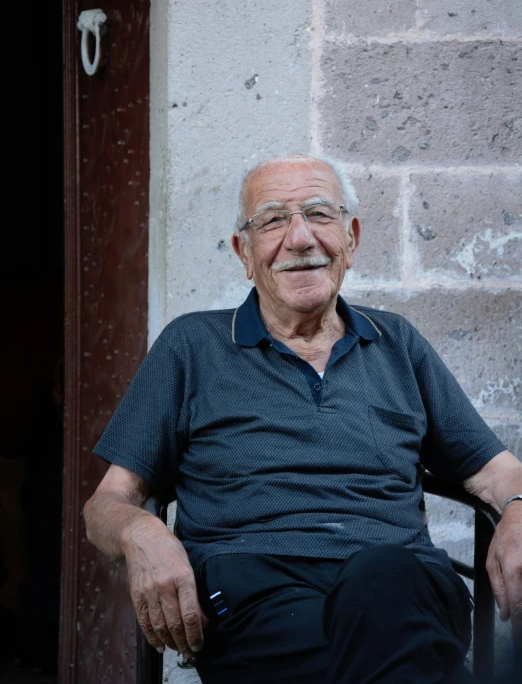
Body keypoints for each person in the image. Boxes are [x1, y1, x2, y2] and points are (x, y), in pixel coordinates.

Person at [84, 154, 522, 683]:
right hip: (257, 590)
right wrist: (141, 534)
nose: (299, 238)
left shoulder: (397, 343)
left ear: (351, 238)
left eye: (319, 214)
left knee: (382, 581)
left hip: (399, 583)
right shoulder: (192, 345)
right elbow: (106, 503)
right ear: (244, 253)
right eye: (272, 220)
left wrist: (517, 511)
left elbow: (497, 473)